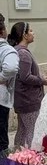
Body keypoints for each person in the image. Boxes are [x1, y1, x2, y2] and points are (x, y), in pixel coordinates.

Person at [8, 22, 47, 148]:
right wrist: (41, 80)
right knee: (33, 132)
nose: (33, 33)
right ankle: (33, 160)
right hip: (29, 100)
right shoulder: (23, 54)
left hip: (23, 100)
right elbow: (25, 77)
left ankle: (17, 158)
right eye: (31, 31)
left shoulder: (18, 51)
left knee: (22, 131)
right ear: (24, 35)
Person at [0, 16, 19, 156]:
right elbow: (11, 68)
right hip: (0, 100)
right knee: (1, 140)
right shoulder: (6, 49)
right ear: (2, 31)